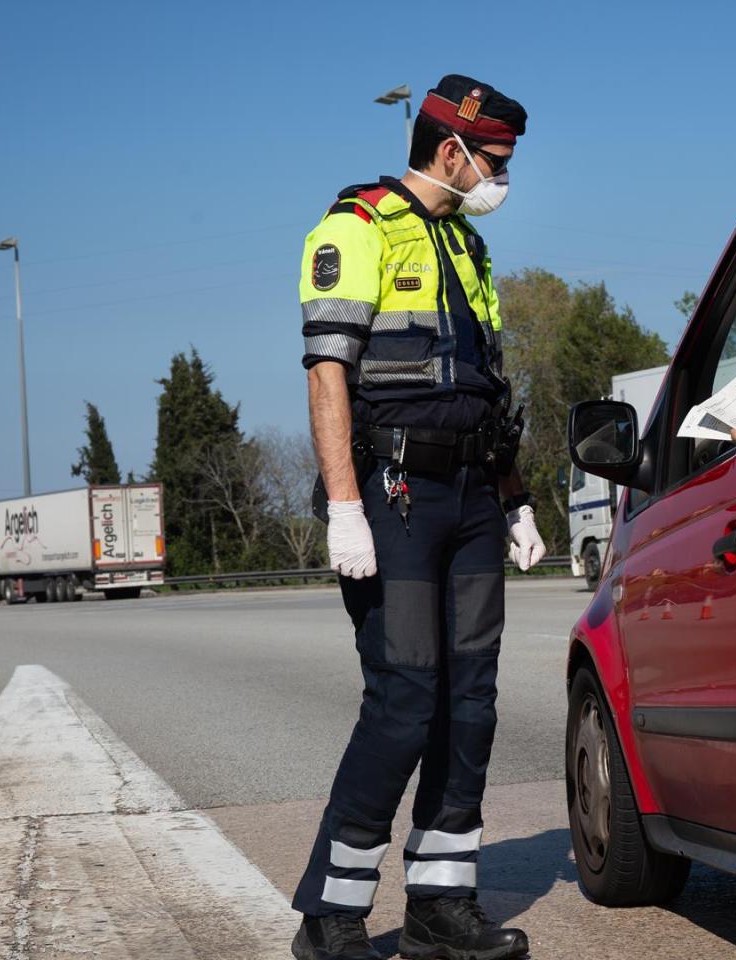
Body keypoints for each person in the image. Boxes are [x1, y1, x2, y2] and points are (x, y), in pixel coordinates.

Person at [292, 74, 545, 960]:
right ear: (452, 152)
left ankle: (443, 904)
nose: (503, 177)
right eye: (497, 161)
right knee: (405, 701)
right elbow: (328, 375)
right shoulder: (354, 229)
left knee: (470, 704)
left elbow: (487, 383)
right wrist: (346, 509)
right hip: (393, 499)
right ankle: (331, 914)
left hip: (474, 498)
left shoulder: (469, 250)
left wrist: (514, 499)